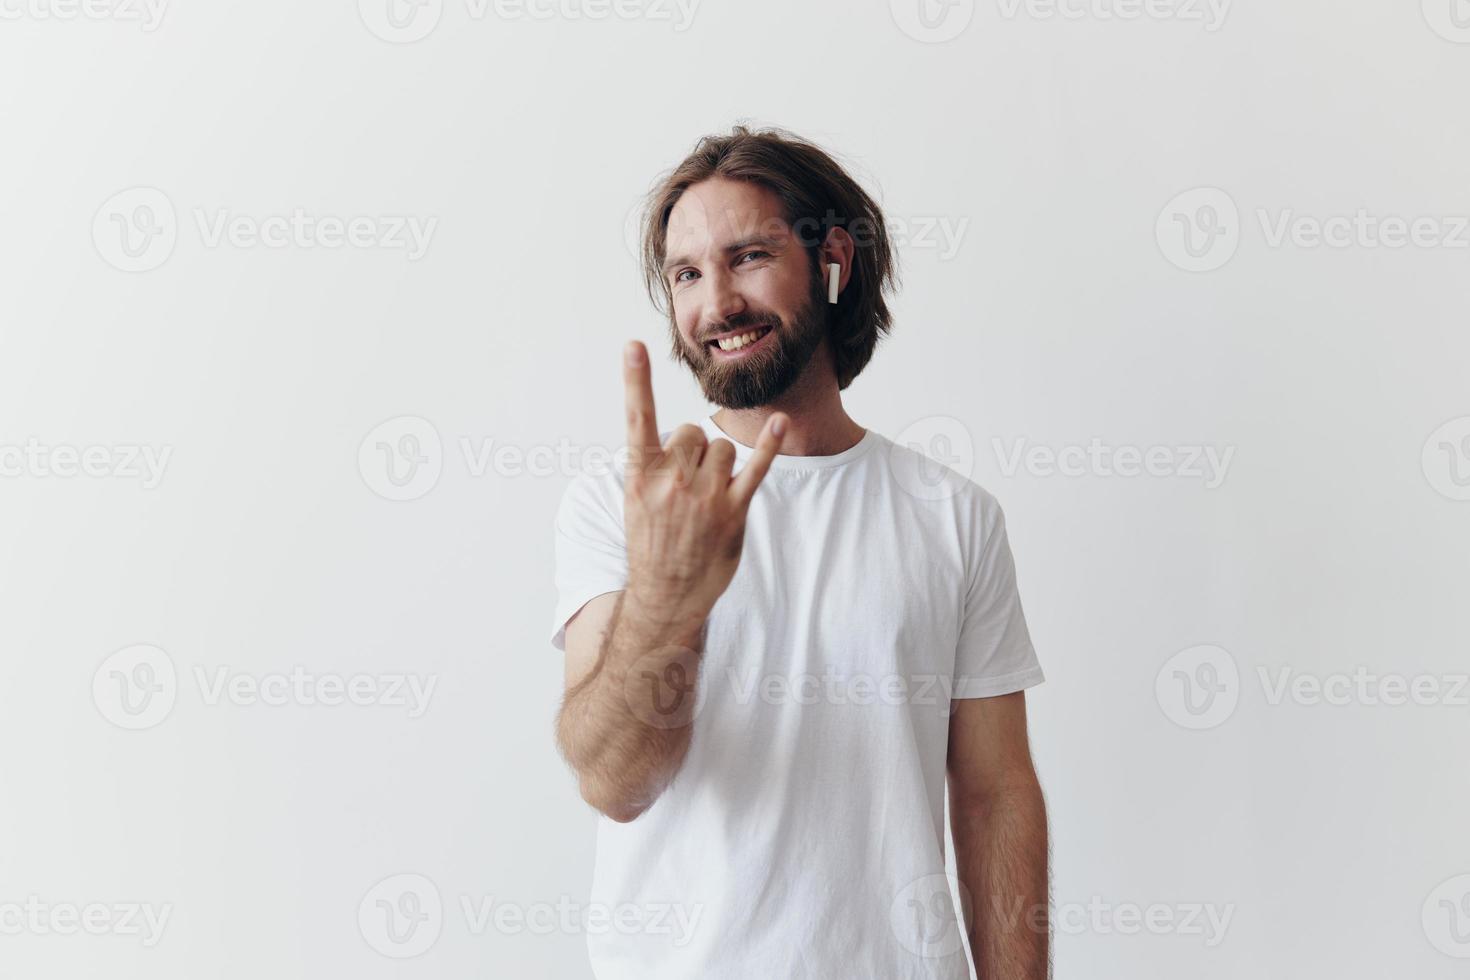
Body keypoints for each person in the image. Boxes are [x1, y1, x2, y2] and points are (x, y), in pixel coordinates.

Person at [551, 124, 1050, 979]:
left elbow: (995, 793)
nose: (716, 304)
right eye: (686, 274)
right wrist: (672, 597)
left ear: (833, 262)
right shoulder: (623, 502)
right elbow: (614, 782)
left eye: (747, 256)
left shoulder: (954, 517)